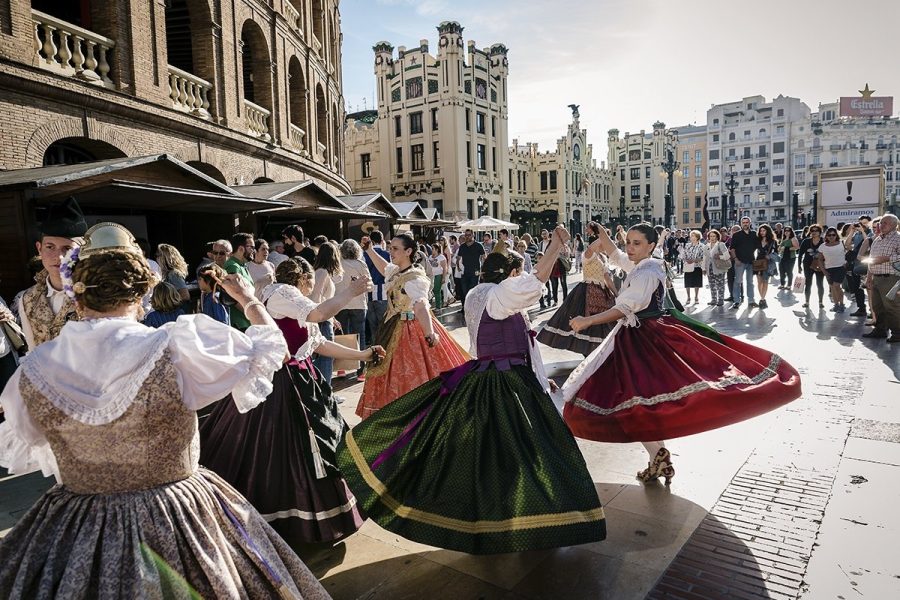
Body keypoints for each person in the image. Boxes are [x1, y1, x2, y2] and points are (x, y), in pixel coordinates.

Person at [0, 222, 328, 598]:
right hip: (177, 514)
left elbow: (31, 441)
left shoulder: (36, 369)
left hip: (76, 525)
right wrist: (247, 299)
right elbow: (274, 349)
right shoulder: (176, 347)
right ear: (142, 295)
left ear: (77, 297)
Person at [336, 227, 606, 554]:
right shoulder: (497, 296)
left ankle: (502, 515)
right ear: (509, 274)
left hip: (491, 377)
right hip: (505, 385)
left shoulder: (479, 294)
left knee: (495, 454)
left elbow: (523, 327)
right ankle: (529, 516)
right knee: (529, 450)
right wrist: (555, 246)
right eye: (515, 272)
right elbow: (536, 282)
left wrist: (539, 375)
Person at [564, 223, 801, 485]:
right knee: (642, 401)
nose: (629, 248)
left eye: (636, 243)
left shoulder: (646, 273)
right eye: (628, 241)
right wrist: (604, 235)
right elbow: (617, 255)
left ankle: (658, 455)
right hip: (641, 335)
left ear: (651, 246)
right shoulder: (645, 264)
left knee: (639, 399)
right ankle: (658, 456)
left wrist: (587, 321)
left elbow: (625, 307)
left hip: (644, 339)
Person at [201, 257, 382, 545]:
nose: (311, 290)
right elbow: (318, 314)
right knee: (280, 448)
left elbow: (317, 343)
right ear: (303, 279)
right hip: (282, 382)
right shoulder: (283, 293)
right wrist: (351, 291)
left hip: (302, 377)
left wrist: (363, 355)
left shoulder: (289, 301)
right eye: (310, 284)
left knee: (308, 444)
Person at [356, 233, 468, 419]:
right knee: (392, 371)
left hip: (409, 328)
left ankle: (413, 416)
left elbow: (421, 305)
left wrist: (430, 332)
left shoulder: (415, 278)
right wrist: (369, 251)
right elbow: (385, 268)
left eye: (395, 249)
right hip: (391, 326)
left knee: (410, 372)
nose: (391, 252)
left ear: (408, 251)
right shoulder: (397, 272)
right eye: (390, 247)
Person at [17, 197, 87, 351]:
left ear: (82, 251)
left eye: (67, 249)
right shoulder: (28, 299)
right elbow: (33, 351)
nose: (59, 257)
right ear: (39, 248)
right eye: (50, 247)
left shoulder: (95, 294)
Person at [538, 221, 616, 355]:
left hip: (602, 291)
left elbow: (607, 278)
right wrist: (601, 233)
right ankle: (589, 352)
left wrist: (616, 293)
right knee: (588, 321)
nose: (606, 246)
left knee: (602, 321)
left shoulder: (603, 257)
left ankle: (599, 351)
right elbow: (592, 247)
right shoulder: (588, 254)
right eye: (604, 243)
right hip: (587, 290)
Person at [335, 239, 370, 380]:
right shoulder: (361, 264)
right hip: (359, 304)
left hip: (341, 303)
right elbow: (369, 284)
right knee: (359, 336)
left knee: (342, 336)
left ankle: (341, 368)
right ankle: (361, 371)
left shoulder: (338, 264)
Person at [862, 214, 900, 342]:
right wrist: (868, 278)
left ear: (894, 225)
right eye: (881, 223)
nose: (881, 225)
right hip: (876, 278)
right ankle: (880, 330)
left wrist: (887, 259)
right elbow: (871, 260)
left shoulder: (898, 238)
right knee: (877, 306)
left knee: (892, 307)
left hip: (890, 278)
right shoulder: (877, 239)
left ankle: (897, 333)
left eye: (885, 223)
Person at [310, 241, 342, 388]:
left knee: (324, 357)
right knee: (326, 357)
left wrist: (333, 318)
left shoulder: (320, 272)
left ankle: (324, 389)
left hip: (324, 318)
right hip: (322, 319)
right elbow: (317, 298)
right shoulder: (322, 273)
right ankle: (326, 390)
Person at [224, 233, 255, 330]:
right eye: (252, 247)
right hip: (240, 324)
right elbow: (234, 295)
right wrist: (252, 314)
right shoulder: (232, 266)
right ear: (241, 248)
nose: (254, 251)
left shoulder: (242, 265)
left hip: (246, 321)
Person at [730, 217, 762, 309]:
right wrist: (736, 259)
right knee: (738, 281)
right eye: (743, 222)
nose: (745, 224)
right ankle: (736, 301)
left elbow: (759, 247)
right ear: (741, 223)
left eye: (747, 222)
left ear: (750, 223)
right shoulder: (736, 235)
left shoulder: (754, 234)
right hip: (739, 261)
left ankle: (751, 301)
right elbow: (732, 249)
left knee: (750, 282)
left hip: (751, 261)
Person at [820, 226, 848, 313]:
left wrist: (846, 262)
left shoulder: (841, 243)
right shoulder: (823, 246)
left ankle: (842, 304)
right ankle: (836, 305)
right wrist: (824, 271)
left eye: (833, 235)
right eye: (829, 235)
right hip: (829, 269)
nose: (831, 237)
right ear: (826, 236)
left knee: (836, 286)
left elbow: (849, 250)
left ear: (836, 235)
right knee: (832, 287)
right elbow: (820, 259)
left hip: (840, 268)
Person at [798, 224, 826, 309]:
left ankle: (820, 302)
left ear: (820, 232)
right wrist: (799, 266)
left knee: (820, 284)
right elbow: (800, 254)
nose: (814, 232)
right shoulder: (806, 241)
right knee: (808, 284)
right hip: (807, 265)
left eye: (816, 231)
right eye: (812, 231)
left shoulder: (823, 241)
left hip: (820, 265)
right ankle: (807, 302)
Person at [456, 229, 485, 308]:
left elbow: (484, 257)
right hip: (464, 272)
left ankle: (474, 307)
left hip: (475, 272)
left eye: (469, 235)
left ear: (473, 235)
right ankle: (467, 307)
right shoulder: (462, 246)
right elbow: (458, 258)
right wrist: (458, 267)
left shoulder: (478, 245)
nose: (467, 237)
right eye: (466, 235)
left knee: (473, 290)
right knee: (465, 291)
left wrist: (483, 270)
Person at [754, 224, 778, 310]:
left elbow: (776, 252)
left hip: (768, 262)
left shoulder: (773, 241)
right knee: (759, 282)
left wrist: (770, 256)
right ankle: (762, 298)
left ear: (767, 231)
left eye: (764, 230)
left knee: (765, 281)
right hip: (758, 262)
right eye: (761, 231)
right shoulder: (757, 240)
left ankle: (762, 299)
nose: (762, 232)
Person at [705, 229, 730, 306]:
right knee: (712, 284)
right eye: (711, 236)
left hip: (719, 267)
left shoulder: (721, 244)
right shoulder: (707, 246)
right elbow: (705, 258)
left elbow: (727, 256)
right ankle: (713, 299)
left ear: (717, 237)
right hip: (709, 268)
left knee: (720, 284)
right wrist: (704, 268)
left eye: (714, 236)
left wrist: (719, 256)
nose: (712, 238)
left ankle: (720, 300)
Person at [681, 230, 706, 305]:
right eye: (691, 236)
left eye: (693, 236)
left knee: (697, 283)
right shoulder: (687, 245)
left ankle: (696, 297)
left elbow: (703, 257)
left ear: (697, 237)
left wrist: (695, 260)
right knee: (687, 282)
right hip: (688, 266)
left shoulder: (702, 246)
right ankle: (688, 297)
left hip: (697, 266)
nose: (692, 237)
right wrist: (686, 260)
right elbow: (684, 254)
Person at [777, 227, 800, 291]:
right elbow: (779, 249)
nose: (786, 232)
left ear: (791, 232)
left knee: (789, 271)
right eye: (785, 231)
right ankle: (782, 284)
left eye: (788, 230)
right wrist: (779, 249)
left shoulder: (793, 238)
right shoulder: (783, 239)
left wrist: (786, 248)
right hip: (782, 257)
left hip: (790, 257)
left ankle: (789, 285)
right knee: (781, 271)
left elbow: (797, 247)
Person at [428, 243, 447, 309]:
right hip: (431, 276)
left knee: (437, 291)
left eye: (432, 248)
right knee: (430, 290)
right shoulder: (430, 257)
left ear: (436, 249)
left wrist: (443, 278)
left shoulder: (441, 257)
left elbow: (444, 268)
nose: (431, 250)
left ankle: (438, 307)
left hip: (438, 276)